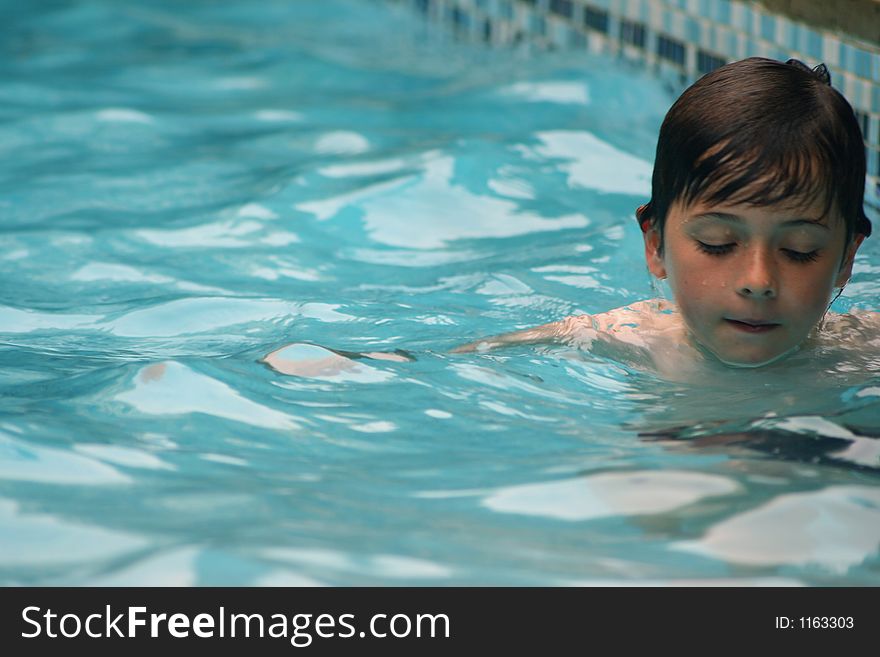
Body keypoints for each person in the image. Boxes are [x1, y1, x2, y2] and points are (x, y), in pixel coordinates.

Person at [450, 57, 877, 377]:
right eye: (717, 243)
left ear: (845, 258)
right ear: (655, 244)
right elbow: (448, 362)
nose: (758, 281)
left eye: (799, 250)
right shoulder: (625, 340)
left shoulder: (865, 355)